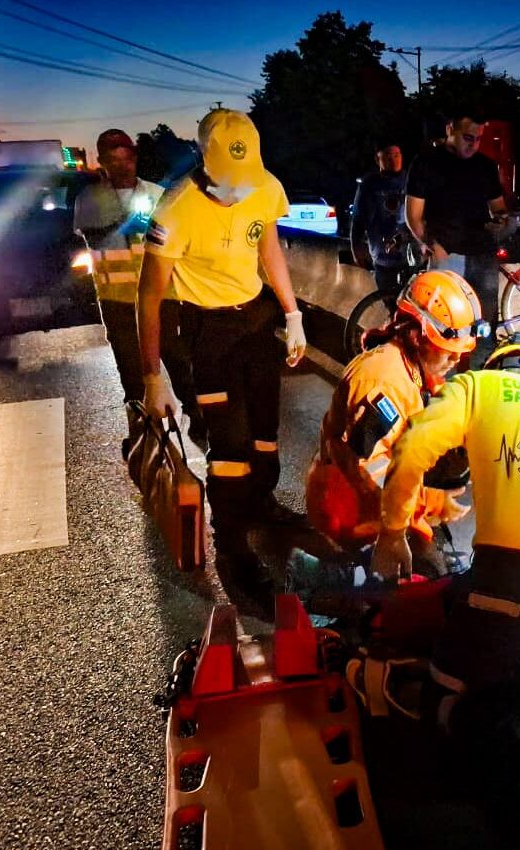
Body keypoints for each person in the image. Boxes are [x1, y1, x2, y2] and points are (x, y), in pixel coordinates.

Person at [370, 332, 520, 840]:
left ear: (499, 363)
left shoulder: (478, 387)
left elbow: (415, 445)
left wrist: (393, 532)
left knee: (448, 690)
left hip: (512, 578)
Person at [138, 108, 309, 597]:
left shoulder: (266, 186)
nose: (237, 191)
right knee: (230, 448)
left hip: (256, 318)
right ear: (204, 161)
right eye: (227, 181)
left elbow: (269, 248)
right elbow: (149, 297)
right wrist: (154, 375)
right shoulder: (176, 209)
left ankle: (263, 503)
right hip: (207, 328)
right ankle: (233, 547)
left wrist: (291, 313)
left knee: (265, 434)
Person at [298, 270, 482, 582]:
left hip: (362, 492)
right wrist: (408, 520)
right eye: (448, 349)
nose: (455, 359)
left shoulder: (409, 366)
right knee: (425, 576)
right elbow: (368, 470)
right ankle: (319, 581)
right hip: (348, 504)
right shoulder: (385, 379)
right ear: (416, 335)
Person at [74, 129, 202, 452]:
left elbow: (174, 238)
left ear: (135, 158)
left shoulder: (159, 194)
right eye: (113, 159)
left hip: (162, 295)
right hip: (117, 299)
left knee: (176, 357)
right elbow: (95, 236)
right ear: (102, 162)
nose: (122, 165)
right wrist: (132, 221)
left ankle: (199, 418)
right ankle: (143, 432)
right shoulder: (90, 199)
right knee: (131, 369)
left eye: (127, 158)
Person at [405, 109, 510, 313]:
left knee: (484, 326)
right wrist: (431, 244)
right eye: (468, 138)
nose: (473, 145)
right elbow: (413, 216)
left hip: (482, 256)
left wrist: (501, 219)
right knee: (445, 327)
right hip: (446, 255)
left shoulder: (486, 166)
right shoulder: (425, 163)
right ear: (450, 129)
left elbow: (499, 207)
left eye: (478, 139)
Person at [351, 143, 410, 294]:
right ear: (378, 160)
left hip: (410, 255)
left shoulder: (410, 180)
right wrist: (356, 248)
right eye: (388, 156)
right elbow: (358, 218)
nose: (393, 160)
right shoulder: (369, 184)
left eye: (397, 155)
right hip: (382, 256)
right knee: (387, 298)